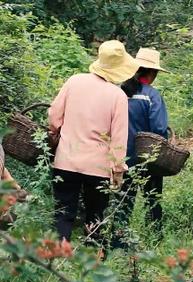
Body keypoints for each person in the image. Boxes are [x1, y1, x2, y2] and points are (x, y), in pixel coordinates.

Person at [48, 40, 139, 241]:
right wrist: (117, 170)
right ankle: (91, 261)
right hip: (98, 167)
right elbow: (118, 139)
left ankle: (55, 258)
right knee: (95, 215)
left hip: (66, 160)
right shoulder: (118, 96)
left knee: (63, 212)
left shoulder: (74, 81)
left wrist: (56, 134)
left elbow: (54, 117)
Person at [113, 48, 169, 246]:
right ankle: (154, 239)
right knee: (152, 199)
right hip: (147, 158)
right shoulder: (152, 96)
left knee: (122, 202)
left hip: (120, 157)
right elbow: (159, 129)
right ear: (152, 73)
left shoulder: (119, 91)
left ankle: (118, 241)